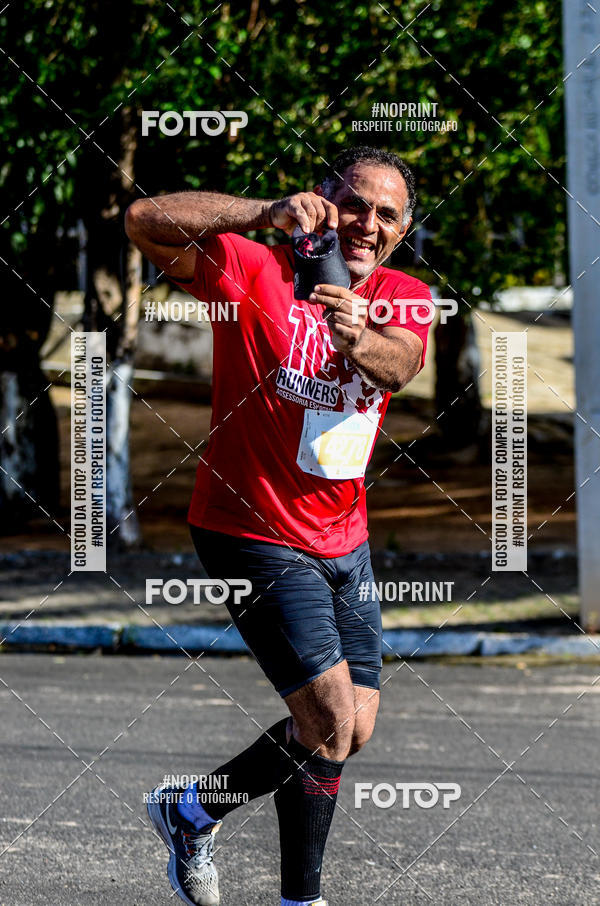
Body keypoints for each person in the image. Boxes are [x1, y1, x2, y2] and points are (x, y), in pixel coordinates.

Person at [125, 145, 432, 906]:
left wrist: (357, 336)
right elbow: (144, 220)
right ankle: (304, 899)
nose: (367, 224)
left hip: (345, 538)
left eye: (387, 214)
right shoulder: (253, 266)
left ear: (404, 229)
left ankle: (190, 811)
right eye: (354, 204)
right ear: (324, 200)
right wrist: (263, 212)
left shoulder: (402, 294)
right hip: (249, 526)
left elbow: (401, 364)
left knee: (352, 727)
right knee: (326, 717)